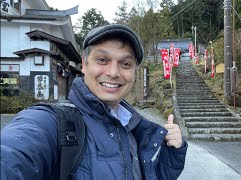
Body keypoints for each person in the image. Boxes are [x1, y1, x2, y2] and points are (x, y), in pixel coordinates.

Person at [1, 24, 188, 180]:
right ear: (84, 63)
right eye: (102, 59)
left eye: (125, 64)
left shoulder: (130, 128)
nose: (113, 73)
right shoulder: (50, 121)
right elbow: (13, 155)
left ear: (134, 72)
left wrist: (170, 156)